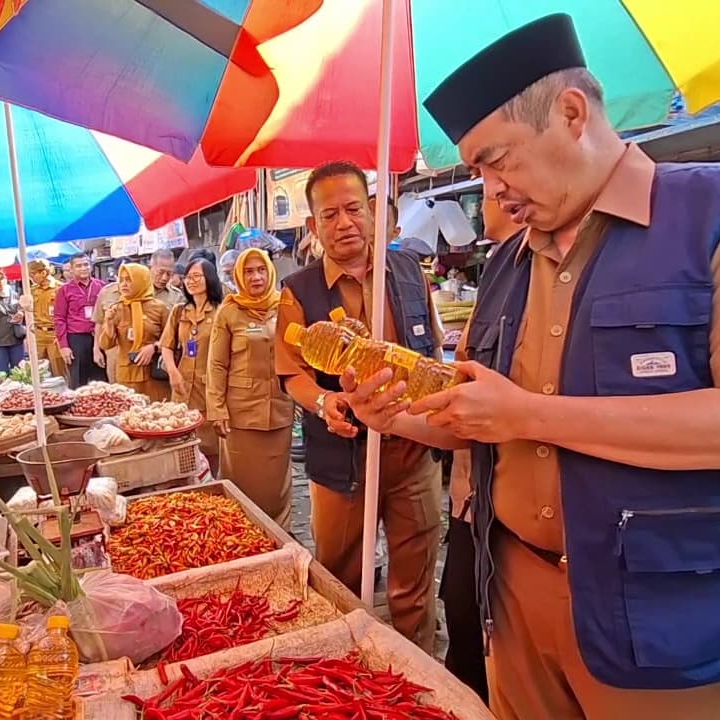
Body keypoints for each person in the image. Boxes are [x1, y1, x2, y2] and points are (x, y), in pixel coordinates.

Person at [342, 14, 720, 719]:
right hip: (516, 601)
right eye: (477, 171)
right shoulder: (508, 262)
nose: (491, 190)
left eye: (497, 160)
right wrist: (397, 415)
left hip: (672, 619)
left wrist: (532, 415)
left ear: (571, 114)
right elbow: (477, 416)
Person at [276, 161, 445, 652]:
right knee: (340, 577)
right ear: (314, 225)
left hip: (413, 451)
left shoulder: (409, 271)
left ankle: (417, 665)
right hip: (342, 460)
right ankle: (348, 665)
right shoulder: (298, 291)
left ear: (372, 212)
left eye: (353, 209)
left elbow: (432, 347)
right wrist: (326, 401)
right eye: (330, 215)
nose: (344, 223)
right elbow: (290, 373)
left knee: (415, 580)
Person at [439, 195, 521, 702]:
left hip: (512, 514)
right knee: (466, 626)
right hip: (471, 502)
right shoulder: (496, 276)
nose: (492, 194)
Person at [208, 248, 295, 527]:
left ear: (270, 272)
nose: (256, 277)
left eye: (260, 270)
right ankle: (243, 533)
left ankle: (280, 534)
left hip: (279, 409)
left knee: (277, 483)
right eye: (248, 271)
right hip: (240, 414)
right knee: (242, 481)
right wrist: (217, 409)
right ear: (238, 276)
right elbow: (216, 364)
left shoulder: (286, 306)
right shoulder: (229, 311)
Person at [159, 257, 222, 476]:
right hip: (182, 386)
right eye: (187, 277)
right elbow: (166, 345)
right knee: (181, 440)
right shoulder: (179, 311)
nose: (191, 281)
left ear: (210, 279)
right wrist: (172, 371)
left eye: (197, 276)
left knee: (210, 445)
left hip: (209, 387)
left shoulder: (221, 312)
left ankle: (210, 482)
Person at [99, 263, 169, 400]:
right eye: (121, 280)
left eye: (129, 280)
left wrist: (154, 347)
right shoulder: (117, 309)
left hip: (154, 374)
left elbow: (172, 340)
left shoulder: (159, 308)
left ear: (141, 281)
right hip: (127, 375)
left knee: (156, 410)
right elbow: (106, 344)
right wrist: (108, 323)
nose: (124, 284)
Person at [55, 253, 107, 388]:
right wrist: (64, 346)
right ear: (71, 269)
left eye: (86, 264)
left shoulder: (102, 286)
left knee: (101, 380)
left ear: (91, 266)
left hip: (99, 336)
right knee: (78, 381)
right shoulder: (64, 290)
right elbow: (59, 318)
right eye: (78, 266)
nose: (83, 268)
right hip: (76, 339)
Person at [27, 260, 68, 379]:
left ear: (43, 272)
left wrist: (61, 336)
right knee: (39, 372)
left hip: (55, 334)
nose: (31, 277)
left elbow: (67, 314)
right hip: (38, 334)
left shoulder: (60, 288)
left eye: (33, 274)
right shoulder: (32, 290)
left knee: (59, 371)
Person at [92, 272, 124, 383]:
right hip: (112, 349)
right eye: (122, 277)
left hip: (135, 350)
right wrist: (96, 349)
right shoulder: (106, 292)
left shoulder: (145, 292)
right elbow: (99, 322)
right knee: (115, 385)